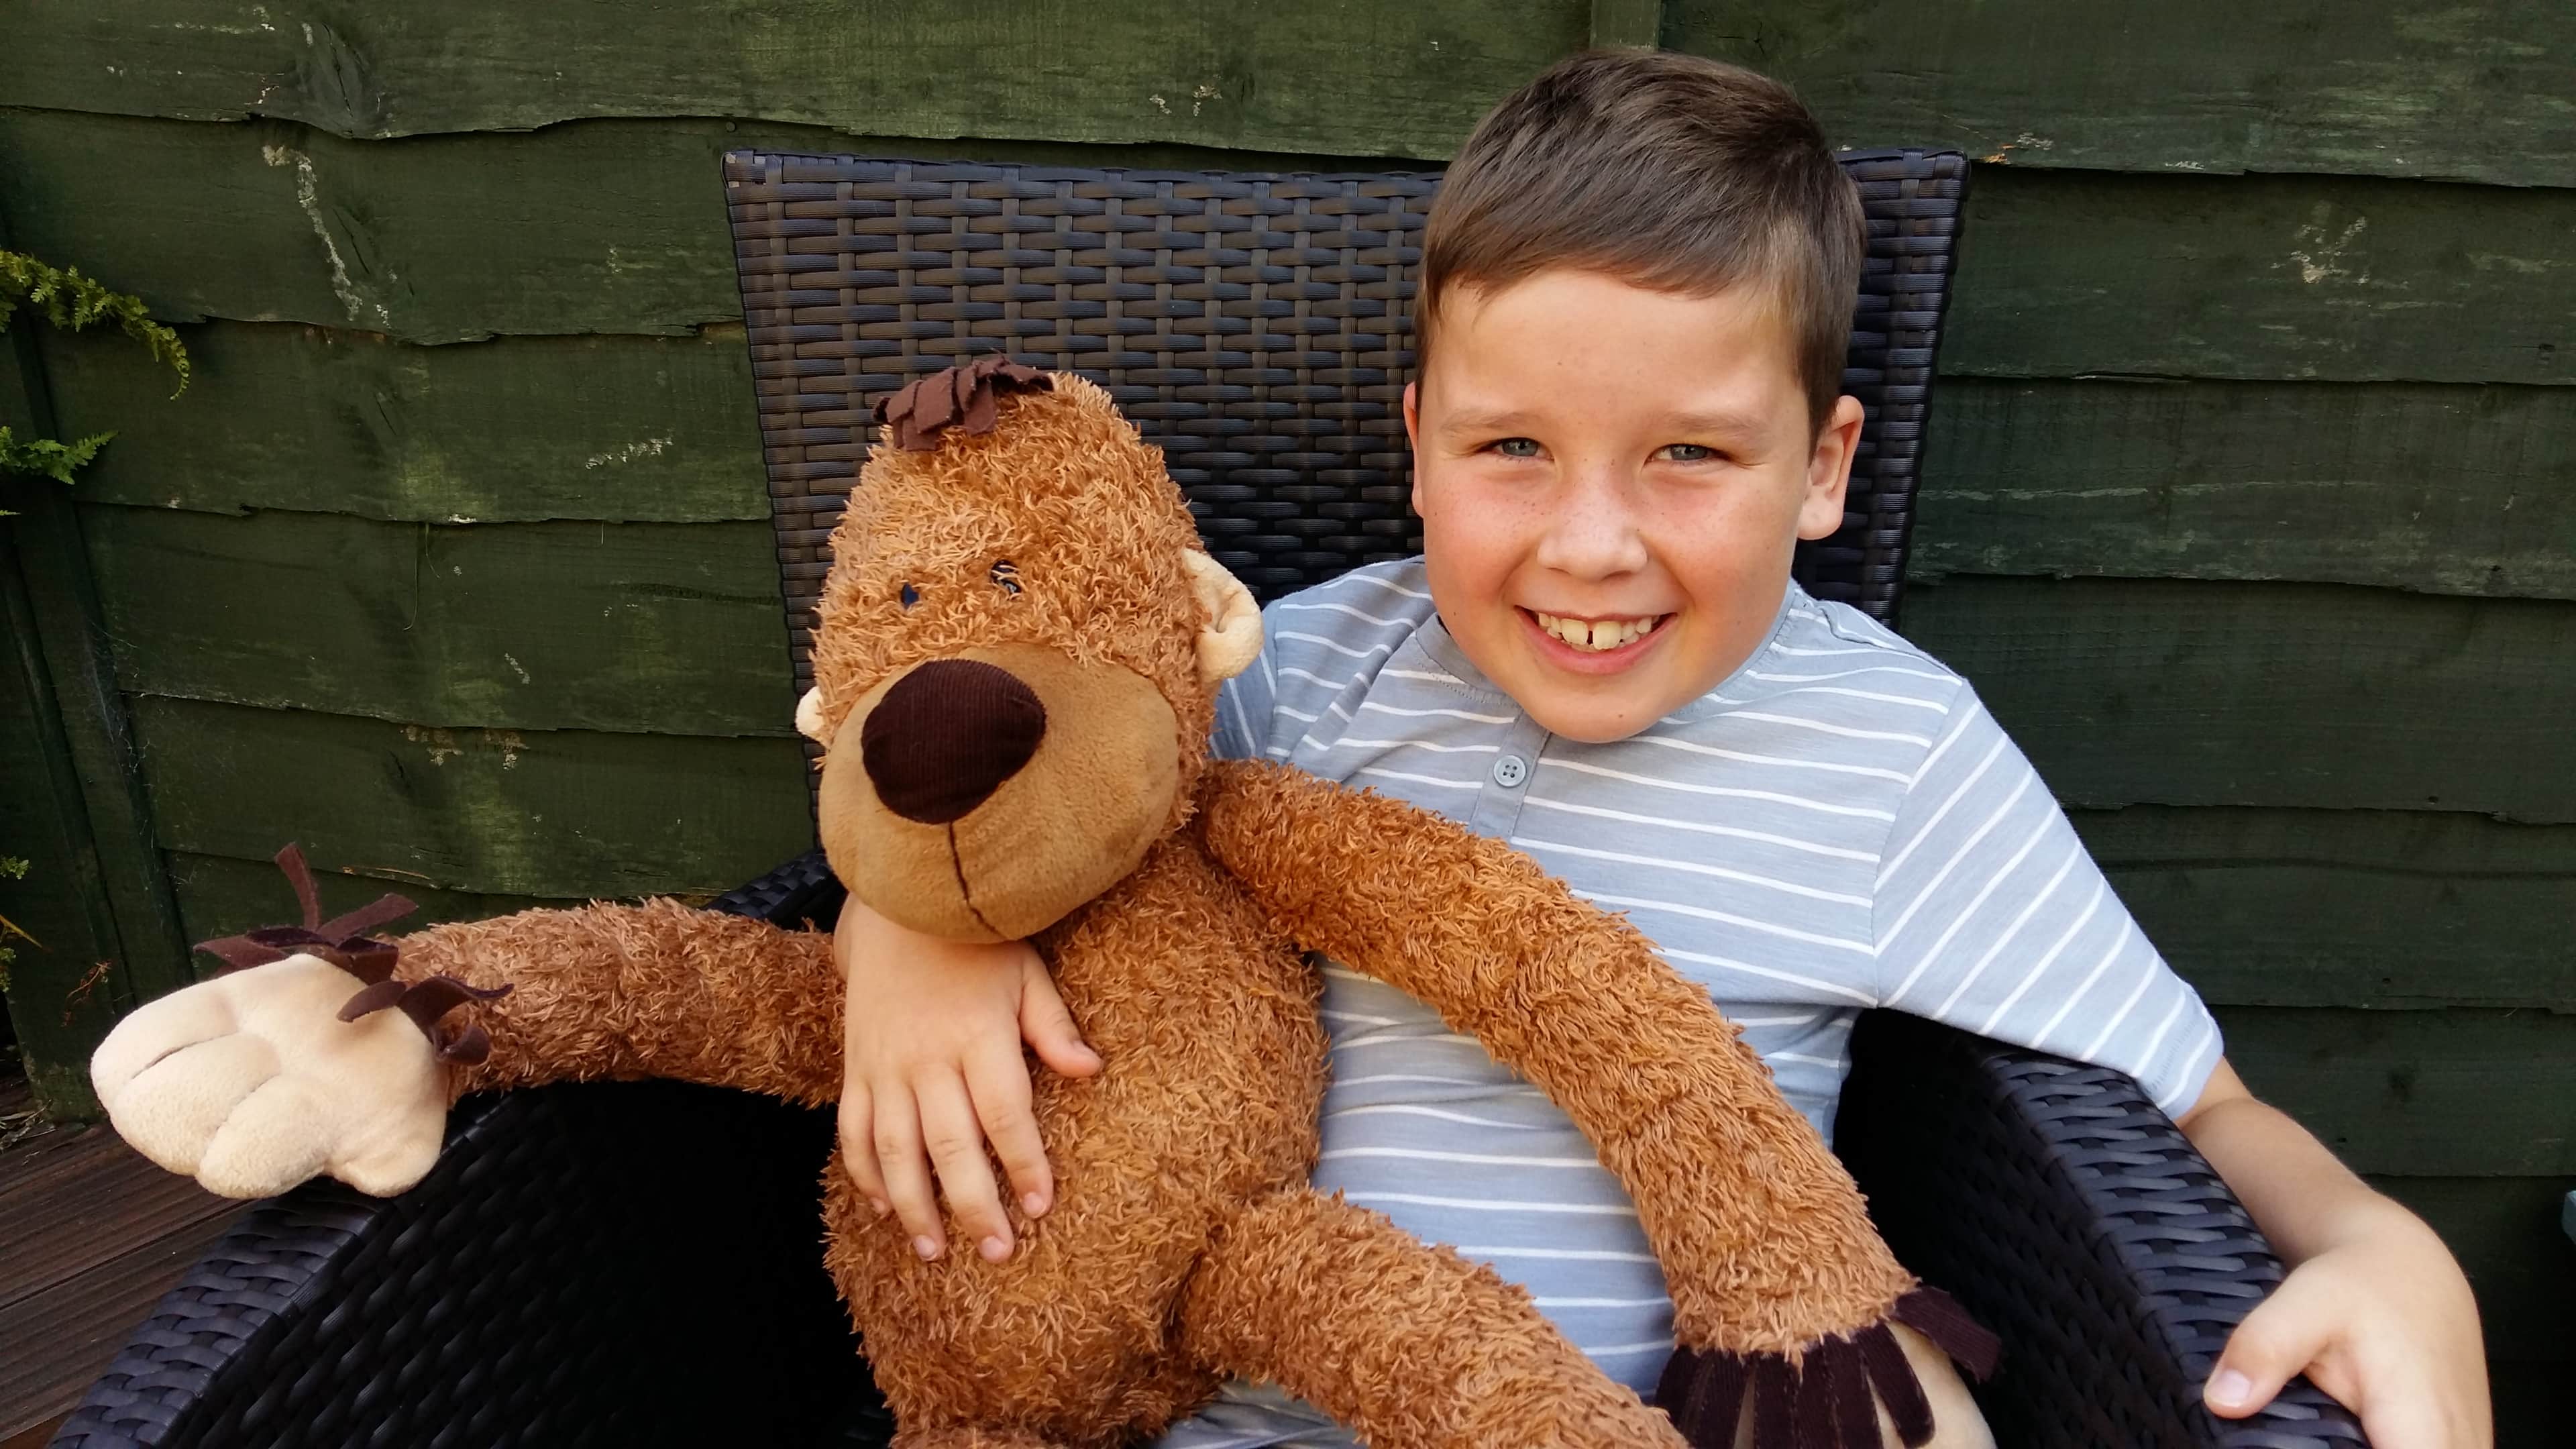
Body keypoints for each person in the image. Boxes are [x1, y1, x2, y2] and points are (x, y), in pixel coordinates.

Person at [830, 48, 2489, 1449]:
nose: (1591, 547)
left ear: (1822, 468)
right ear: (1420, 444)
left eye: (1690, 451)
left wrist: (2378, 1240)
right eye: (1515, 450)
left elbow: (2197, 1108)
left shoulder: (1890, 749)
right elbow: (992, 810)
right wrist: (903, 935)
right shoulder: (1291, 665)